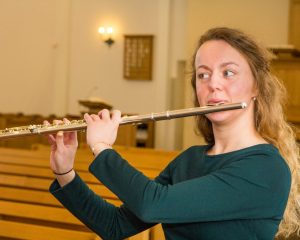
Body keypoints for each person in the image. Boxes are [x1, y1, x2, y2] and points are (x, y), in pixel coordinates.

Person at [47, 27, 300, 240]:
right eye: (203, 74)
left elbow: (152, 204)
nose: (213, 83)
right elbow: (114, 226)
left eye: (228, 72)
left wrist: (102, 147)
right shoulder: (189, 160)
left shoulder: (266, 168)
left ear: (256, 86)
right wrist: (65, 172)